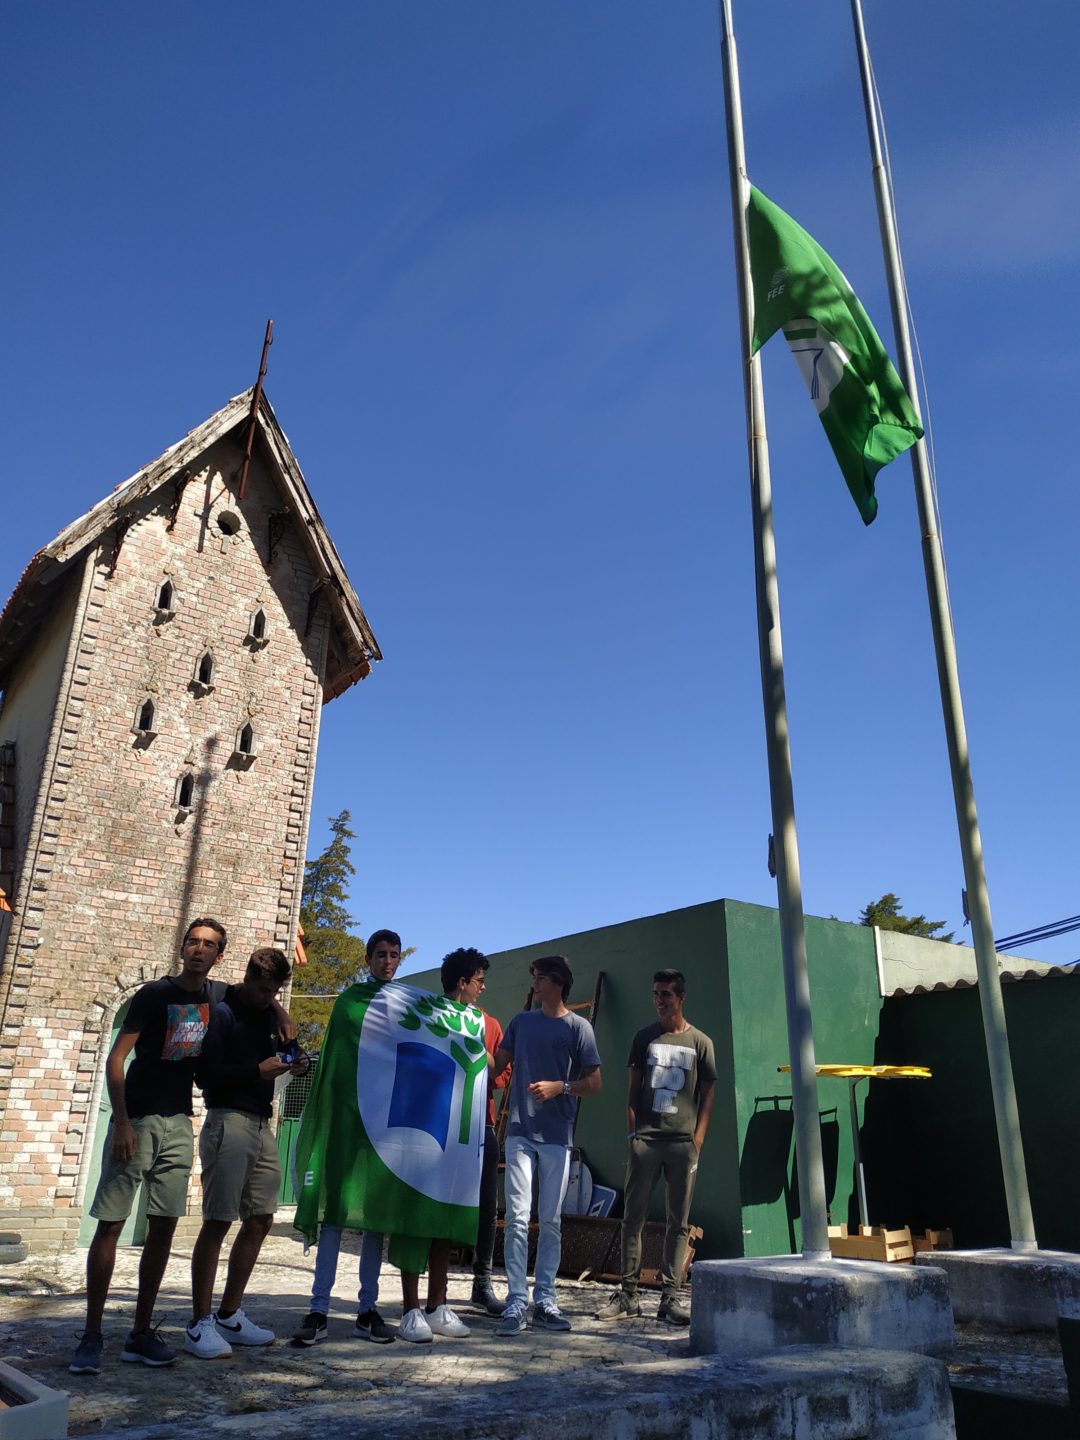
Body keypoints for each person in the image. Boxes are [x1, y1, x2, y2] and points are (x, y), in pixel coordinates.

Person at [69, 918, 293, 1375]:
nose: (199, 949)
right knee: (111, 1225)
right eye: (193, 941)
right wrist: (122, 1121)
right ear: (182, 947)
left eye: (209, 945)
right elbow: (117, 1059)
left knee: (163, 1228)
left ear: (219, 956)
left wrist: (283, 1014)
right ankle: (91, 1335)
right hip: (138, 1119)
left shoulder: (217, 995)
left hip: (179, 1122)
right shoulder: (154, 994)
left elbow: (257, 991)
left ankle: (140, 1333)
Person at [293, 930, 470, 1346]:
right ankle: (318, 1309)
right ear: (367, 958)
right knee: (335, 1214)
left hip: (382, 1125)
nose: (388, 962)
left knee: (374, 1219)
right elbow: (338, 1057)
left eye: (394, 955)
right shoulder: (351, 1001)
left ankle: (367, 1309)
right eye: (381, 955)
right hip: (346, 1119)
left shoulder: (407, 1004)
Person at [185, 947, 302, 1357]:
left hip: (261, 1122)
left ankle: (229, 1315)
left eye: (275, 992)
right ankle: (199, 1324)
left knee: (261, 1219)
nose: (268, 997)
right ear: (249, 978)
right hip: (227, 1120)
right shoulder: (223, 1013)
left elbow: (288, 1054)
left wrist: (295, 1060)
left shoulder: (271, 1015)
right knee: (218, 1221)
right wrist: (257, 1071)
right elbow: (205, 1076)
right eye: (263, 989)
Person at [594, 969, 715, 1327]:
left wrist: (698, 1139)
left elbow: (708, 1094)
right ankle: (628, 1295)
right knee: (633, 1218)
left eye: (666, 994)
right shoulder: (643, 1038)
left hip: (682, 1144)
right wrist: (634, 1136)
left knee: (678, 1222)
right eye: (655, 994)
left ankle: (670, 1298)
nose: (659, 1001)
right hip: (646, 1141)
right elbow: (632, 1090)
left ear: (681, 998)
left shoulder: (701, 1042)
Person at [491, 955, 601, 1337]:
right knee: (517, 1217)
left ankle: (545, 1301)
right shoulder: (521, 1022)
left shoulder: (579, 1028)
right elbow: (495, 1065)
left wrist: (561, 1087)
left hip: (557, 1137)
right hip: (519, 1133)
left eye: (539, 978)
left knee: (551, 1220)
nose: (534, 984)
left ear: (557, 982)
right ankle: (516, 1301)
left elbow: (595, 1083)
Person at [439, 947, 511, 1316]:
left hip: (482, 1124)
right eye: (479, 981)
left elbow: (501, 1075)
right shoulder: (433, 1017)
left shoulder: (490, 1025)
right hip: (441, 1124)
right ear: (462, 982)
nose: (483, 987)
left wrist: (479, 1053)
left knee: (486, 1208)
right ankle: (435, 1290)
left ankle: (481, 1283)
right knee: (439, 1201)